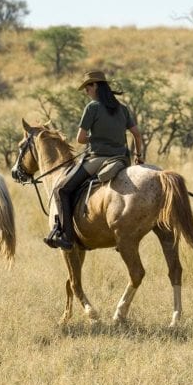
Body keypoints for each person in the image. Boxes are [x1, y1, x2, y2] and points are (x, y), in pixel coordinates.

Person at [45, 69, 144, 250]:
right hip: (122, 159)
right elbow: (137, 135)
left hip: (98, 159)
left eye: (87, 87)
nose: (86, 91)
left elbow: (80, 139)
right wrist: (139, 156)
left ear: (96, 86)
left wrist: (97, 137)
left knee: (61, 190)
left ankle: (66, 237)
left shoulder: (92, 108)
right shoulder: (122, 108)